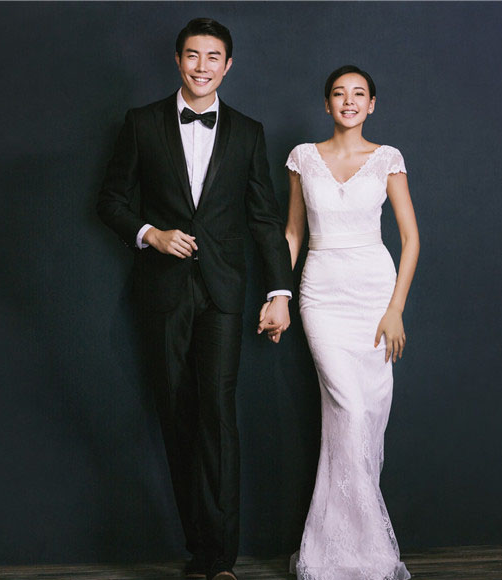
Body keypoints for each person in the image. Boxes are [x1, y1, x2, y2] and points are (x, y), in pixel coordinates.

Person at [96, 18, 292, 580]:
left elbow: (264, 218)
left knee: (218, 416)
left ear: (228, 66)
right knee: (177, 416)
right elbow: (110, 200)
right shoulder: (141, 123)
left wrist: (279, 291)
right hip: (162, 291)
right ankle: (199, 550)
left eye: (213, 57)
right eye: (192, 55)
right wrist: (150, 234)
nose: (202, 66)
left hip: (224, 292)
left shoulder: (248, 132)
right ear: (177, 60)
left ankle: (222, 561)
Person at [276, 65, 419, 580]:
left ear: (372, 104)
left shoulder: (387, 159)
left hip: (374, 296)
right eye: (339, 93)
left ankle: (345, 552)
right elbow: (293, 234)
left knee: (365, 416)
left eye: (359, 94)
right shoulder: (302, 158)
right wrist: (279, 295)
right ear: (327, 103)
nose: (349, 101)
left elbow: (411, 238)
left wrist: (395, 308)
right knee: (349, 410)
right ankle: (345, 550)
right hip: (321, 294)